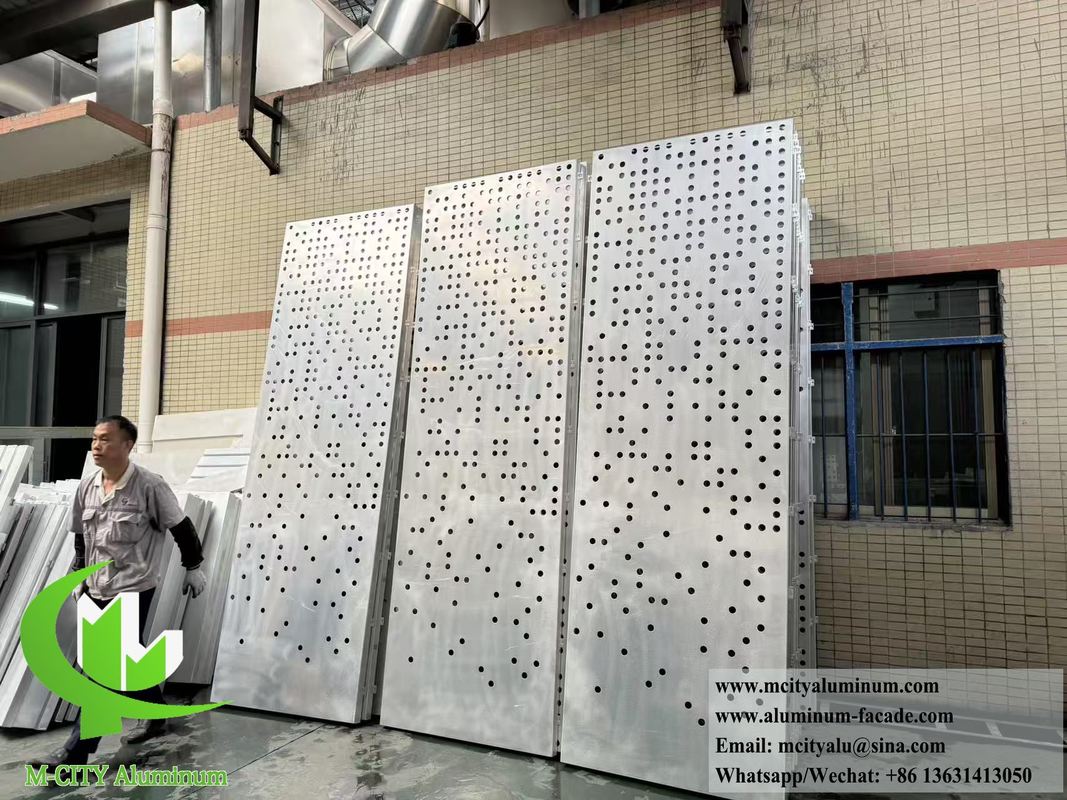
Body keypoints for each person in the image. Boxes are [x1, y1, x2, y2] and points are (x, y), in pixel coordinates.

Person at [31, 415, 209, 768]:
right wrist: (79, 574)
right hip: (96, 587)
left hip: (133, 587)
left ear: (127, 445)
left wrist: (193, 567)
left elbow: (181, 527)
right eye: (95, 439)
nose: (96, 446)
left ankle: (74, 754)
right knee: (127, 660)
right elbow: (81, 536)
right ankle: (155, 713)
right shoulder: (87, 486)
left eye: (105, 439)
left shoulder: (149, 486)